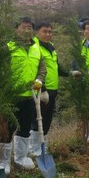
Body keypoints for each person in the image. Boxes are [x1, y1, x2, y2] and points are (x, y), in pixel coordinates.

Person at [0, 17, 46, 174]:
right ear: (16, 29)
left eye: (29, 28)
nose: (26, 30)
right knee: (7, 129)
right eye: (23, 27)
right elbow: (1, 70)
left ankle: (21, 157)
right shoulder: (8, 47)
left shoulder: (36, 48)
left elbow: (42, 68)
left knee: (25, 127)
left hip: (30, 96)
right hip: (12, 96)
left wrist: (39, 80)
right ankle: (3, 162)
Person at [30, 21, 62, 156]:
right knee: (37, 120)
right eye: (45, 31)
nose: (48, 34)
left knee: (47, 120)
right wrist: (42, 90)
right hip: (41, 91)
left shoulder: (51, 47)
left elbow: (56, 67)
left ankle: (43, 148)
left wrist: (70, 73)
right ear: (37, 32)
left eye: (50, 32)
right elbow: (35, 70)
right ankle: (33, 150)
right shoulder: (34, 47)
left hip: (52, 90)